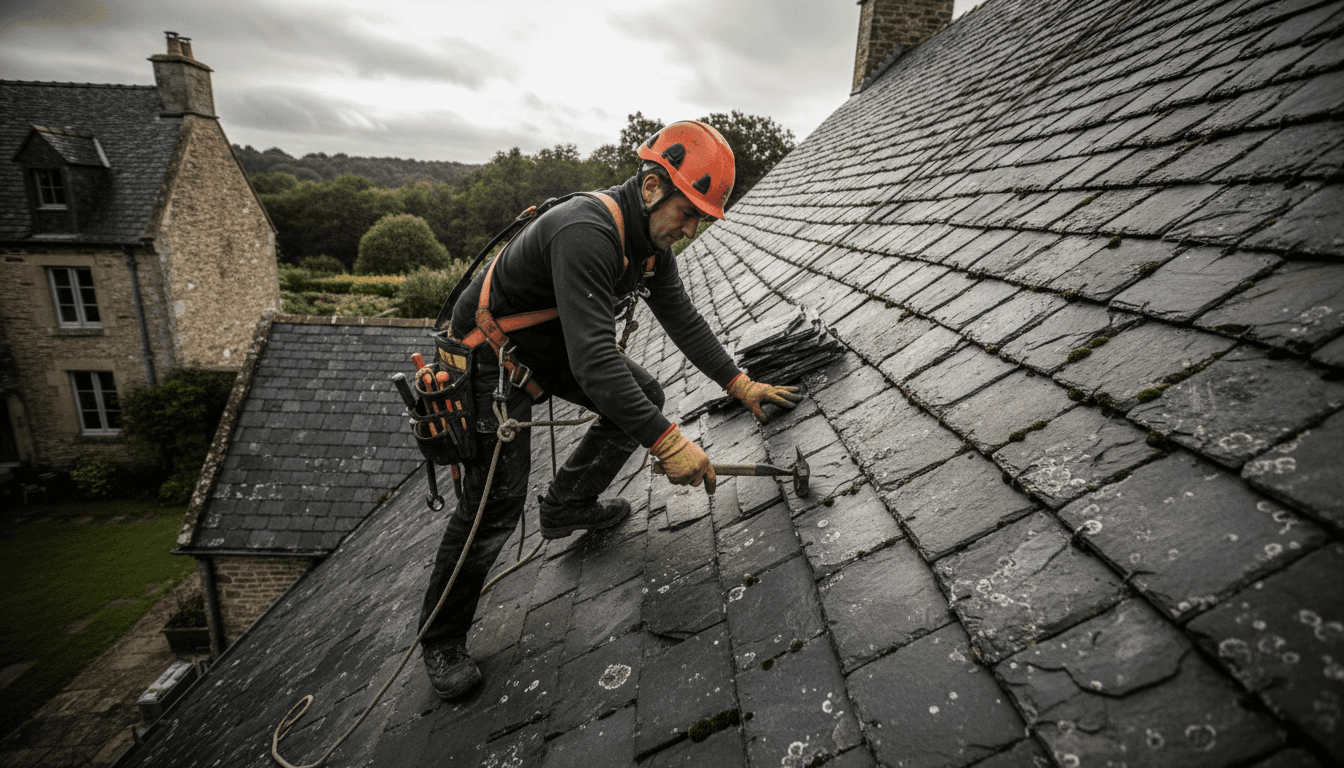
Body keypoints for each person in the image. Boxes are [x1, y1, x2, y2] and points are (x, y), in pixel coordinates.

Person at [418, 120, 802, 699]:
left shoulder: (649, 249)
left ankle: (567, 505)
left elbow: (683, 320)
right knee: (495, 502)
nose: (689, 230)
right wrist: (668, 442)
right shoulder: (587, 231)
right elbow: (594, 361)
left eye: (700, 220)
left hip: (542, 349)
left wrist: (740, 383)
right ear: (651, 187)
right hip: (485, 357)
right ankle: (441, 639)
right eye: (687, 213)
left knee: (643, 397)